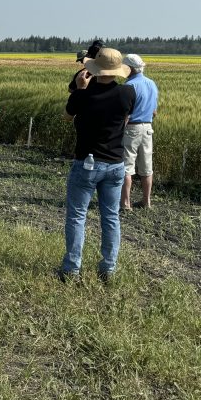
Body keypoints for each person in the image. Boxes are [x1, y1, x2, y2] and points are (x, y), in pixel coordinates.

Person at [60, 47, 137, 282]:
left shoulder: (85, 95)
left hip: (87, 162)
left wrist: (81, 90)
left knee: (77, 216)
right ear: (117, 71)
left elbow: (67, 116)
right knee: (111, 216)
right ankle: (108, 269)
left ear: (94, 69)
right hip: (115, 164)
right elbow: (125, 120)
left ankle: (72, 269)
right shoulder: (127, 93)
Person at [121, 53, 159, 210]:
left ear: (129, 68)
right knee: (146, 167)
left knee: (126, 167)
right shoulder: (152, 83)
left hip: (132, 129)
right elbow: (155, 112)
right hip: (148, 128)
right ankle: (146, 201)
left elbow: (124, 114)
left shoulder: (128, 86)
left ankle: (125, 204)